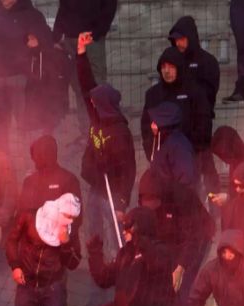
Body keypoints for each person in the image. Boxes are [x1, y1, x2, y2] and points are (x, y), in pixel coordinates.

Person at [146, 102, 215, 306]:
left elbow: (193, 236)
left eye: (155, 121)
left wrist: (181, 265)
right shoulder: (164, 144)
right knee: (174, 285)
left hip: (194, 228)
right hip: (176, 220)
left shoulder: (178, 147)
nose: (151, 125)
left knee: (183, 285)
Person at [76, 32, 135, 256]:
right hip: (96, 187)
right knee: (93, 232)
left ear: (104, 104)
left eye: (95, 101)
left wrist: (122, 202)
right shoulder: (96, 115)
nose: (90, 102)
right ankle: (97, 268)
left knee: (115, 236)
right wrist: (81, 53)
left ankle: (119, 267)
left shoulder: (120, 133)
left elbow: (129, 170)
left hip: (113, 193)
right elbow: (85, 86)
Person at [88, 208, 175, 306]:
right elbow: (104, 278)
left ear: (139, 226)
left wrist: (139, 238)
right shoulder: (124, 254)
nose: (124, 231)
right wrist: (95, 253)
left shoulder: (159, 250)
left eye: (128, 226)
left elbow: (157, 266)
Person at [6, 193, 82, 306]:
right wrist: (15, 266)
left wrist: (65, 243)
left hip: (53, 288)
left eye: (73, 217)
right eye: (67, 215)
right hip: (26, 284)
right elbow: (11, 240)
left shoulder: (71, 231)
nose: (69, 220)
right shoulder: (30, 217)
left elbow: (73, 263)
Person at [140, 47, 215, 192]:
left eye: (171, 66)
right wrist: (152, 154)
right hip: (161, 166)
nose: (166, 71)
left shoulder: (195, 92)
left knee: (188, 203)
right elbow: (145, 127)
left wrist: (194, 154)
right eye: (163, 67)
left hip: (189, 163)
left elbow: (204, 125)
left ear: (179, 67)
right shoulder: (153, 95)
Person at [0, 0, 50, 142]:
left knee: (27, 124)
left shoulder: (32, 15)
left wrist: (38, 41)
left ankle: (31, 160)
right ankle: (2, 161)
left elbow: (47, 40)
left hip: (20, 79)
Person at [52, 0, 117, 134]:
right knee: (78, 86)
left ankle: (101, 131)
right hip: (70, 39)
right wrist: (56, 36)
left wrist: (97, 32)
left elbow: (109, 6)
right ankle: (86, 133)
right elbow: (63, 7)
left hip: (90, 39)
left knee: (97, 86)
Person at [17, 135, 82, 217]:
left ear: (51, 154)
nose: (35, 158)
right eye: (35, 154)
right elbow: (21, 214)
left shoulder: (69, 181)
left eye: (39, 154)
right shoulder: (29, 182)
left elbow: (74, 218)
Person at [23, 28, 70, 135]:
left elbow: (59, 83)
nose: (28, 42)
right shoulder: (32, 53)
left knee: (49, 131)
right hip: (38, 107)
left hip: (50, 103)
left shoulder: (54, 54)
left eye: (31, 38)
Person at [209, 126, 244, 206]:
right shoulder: (236, 162)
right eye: (220, 156)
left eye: (225, 155)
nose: (224, 160)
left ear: (232, 149)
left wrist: (228, 199)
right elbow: (234, 192)